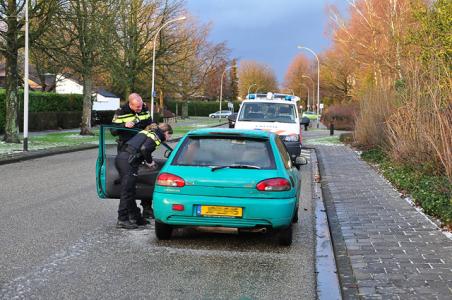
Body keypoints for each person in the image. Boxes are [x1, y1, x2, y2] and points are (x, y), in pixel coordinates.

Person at [115, 123, 173, 229]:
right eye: (169, 136)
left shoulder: (147, 132)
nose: (168, 139)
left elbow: (139, 147)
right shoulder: (157, 136)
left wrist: (142, 159)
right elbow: (145, 149)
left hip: (122, 158)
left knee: (130, 191)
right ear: (166, 132)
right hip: (128, 161)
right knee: (127, 191)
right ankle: (122, 219)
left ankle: (135, 217)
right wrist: (149, 162)